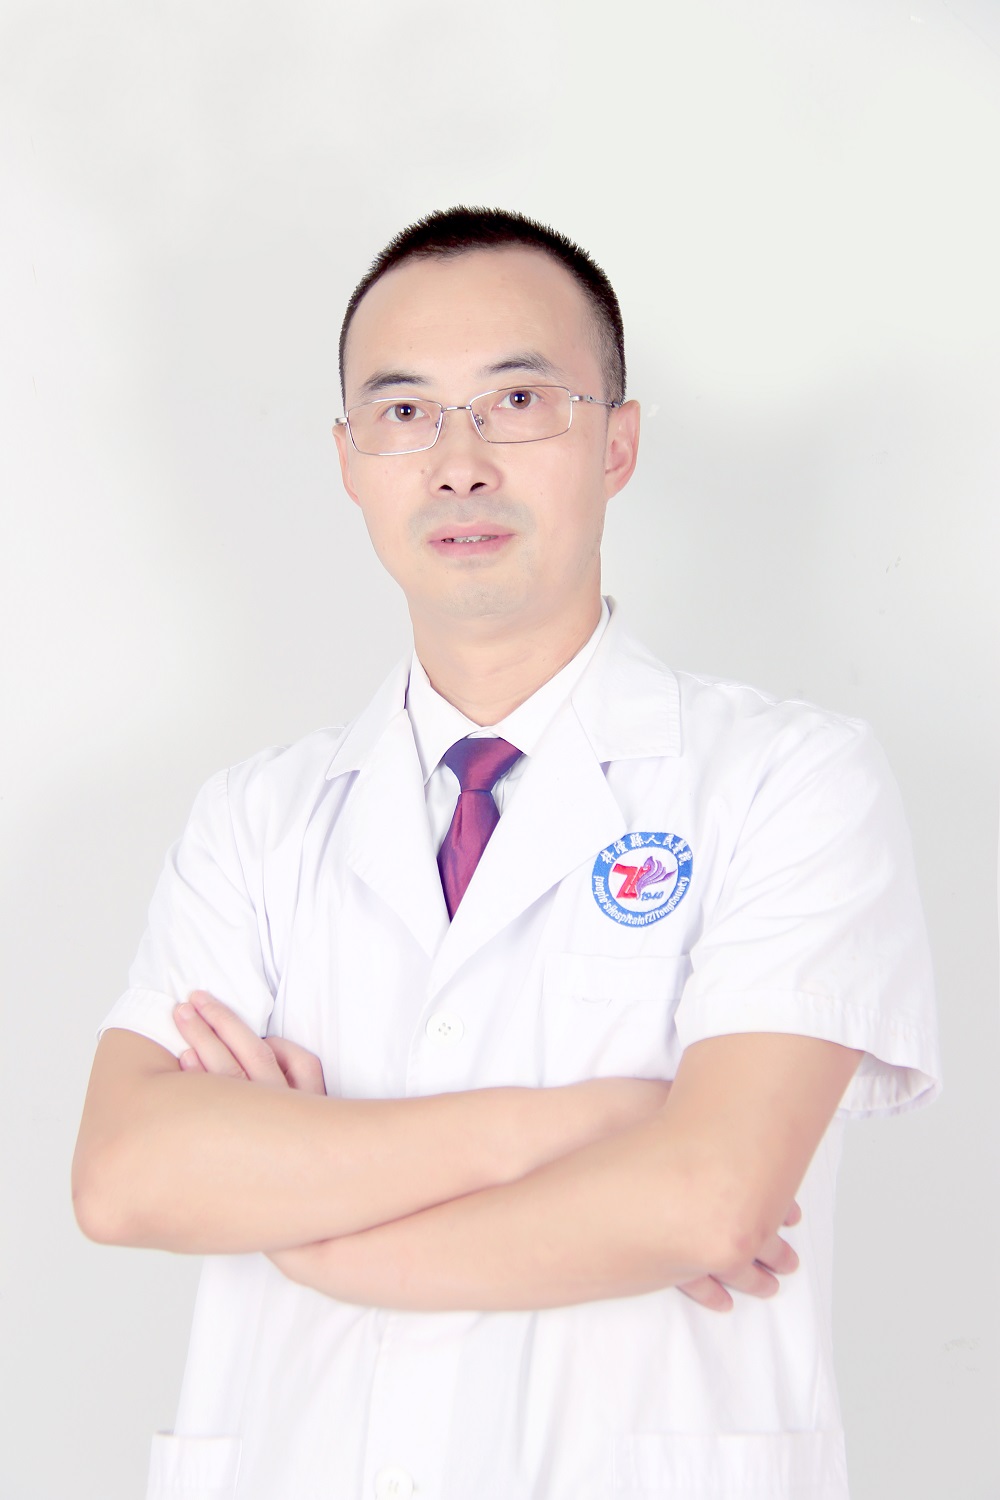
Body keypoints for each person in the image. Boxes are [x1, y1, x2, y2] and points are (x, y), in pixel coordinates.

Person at [72, 207, 940, 1500]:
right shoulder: (254, 820)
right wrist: (591, 1124)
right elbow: (126, 1177)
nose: (459, 464)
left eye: (519, 401)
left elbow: (707, 1200)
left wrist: (313, 1229)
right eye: (405, 413)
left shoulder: (788, 778)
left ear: (618, 443)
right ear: (350, 461)